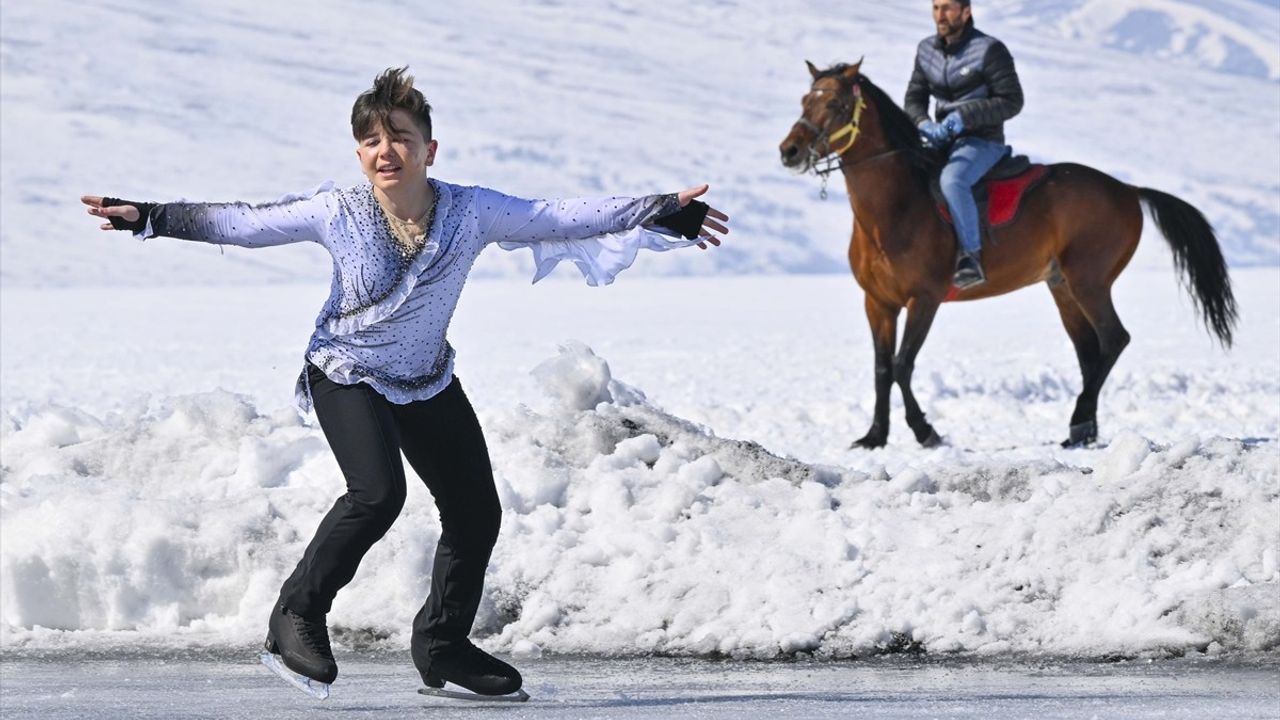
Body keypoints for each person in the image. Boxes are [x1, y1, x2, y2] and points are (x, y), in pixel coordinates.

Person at [81, 66, 729, 699]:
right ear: (360, 152)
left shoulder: (472, 211)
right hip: (345, 372)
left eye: (399, 139)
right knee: (377, 495)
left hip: (424, 377)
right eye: (370, 141)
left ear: (428, 149)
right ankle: (295, 615)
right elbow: (243, 224)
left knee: (476, 510)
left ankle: (442, 645)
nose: (384, 152)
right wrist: (152, 215)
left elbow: (557, 215)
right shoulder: (338, 211)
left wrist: (657, 211)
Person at [904, 0, 1024, 289]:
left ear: (966, 12)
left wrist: (964, 116)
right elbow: (914, 98)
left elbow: (1012, 101)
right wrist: (922, 123)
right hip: (940, 141)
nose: (940, 15)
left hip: (983, 141)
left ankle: (970, 257)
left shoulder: (990, 50)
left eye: (947, 8)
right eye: (935, 7)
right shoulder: (926, 50)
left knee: (953, 180)